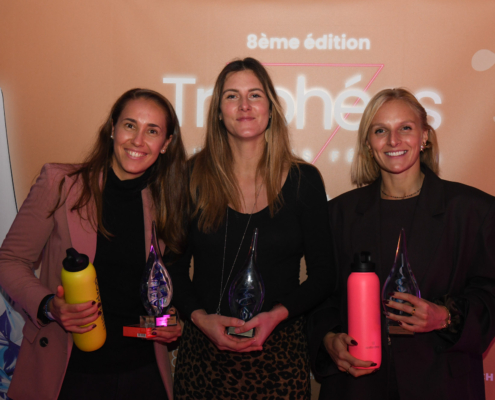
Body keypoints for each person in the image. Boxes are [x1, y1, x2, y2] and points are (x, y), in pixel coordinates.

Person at [0, 88, 188, 400]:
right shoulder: (61, 184)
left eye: (152, 131)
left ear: (166, 144)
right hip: (70, 372)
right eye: (130, 125)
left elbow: (160, 294)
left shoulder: (167, 201)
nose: (138, 140)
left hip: (143, 372)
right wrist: (48, 305)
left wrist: (169, 322)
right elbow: (9, 260)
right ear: (112, 128)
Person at [308, 88, 495, 400]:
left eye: (405, 128)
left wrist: (445, 316)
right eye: (380, 131)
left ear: (424, 137)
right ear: (368, 144)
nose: (393, 141)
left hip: (442, 384)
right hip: (357, 387)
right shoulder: (338, 214)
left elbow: (490, 294)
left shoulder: (474, 210)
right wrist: (328, 339)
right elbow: (321, 296)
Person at [168, 57, 334, 399]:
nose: (244, 105)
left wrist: (277, 316)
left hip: (279, 357)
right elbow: (173, 266)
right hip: (204, 358)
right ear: (218, 112)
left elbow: (323, 274)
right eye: (232, 96)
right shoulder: (191, 176)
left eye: (255, 95)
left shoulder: (304, 181)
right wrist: (200, 319)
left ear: (270, 109)